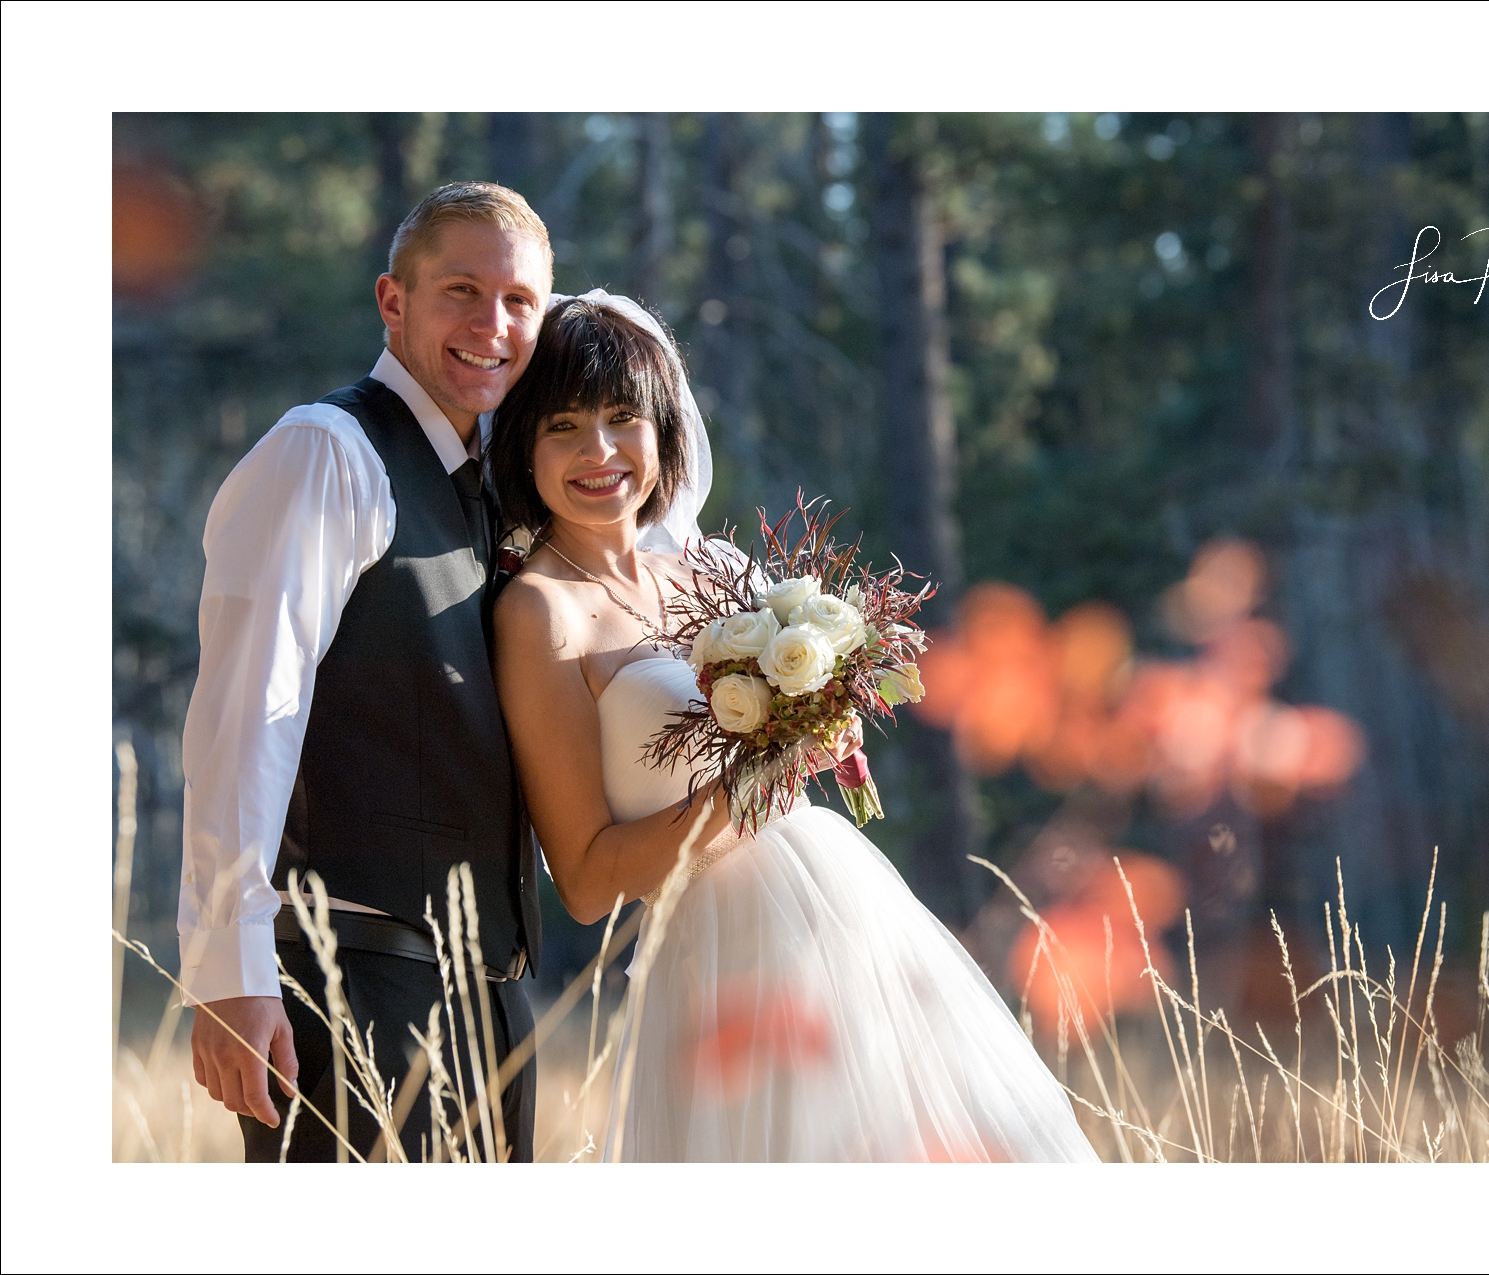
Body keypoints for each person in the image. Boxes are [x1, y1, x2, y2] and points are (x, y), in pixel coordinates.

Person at [489, 293, 1099, 1161]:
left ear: (665, 431)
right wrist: (766, 774)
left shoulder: (719, 571)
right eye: (563, 426)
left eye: (623, 417)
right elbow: (585, 882)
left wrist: (827, 716)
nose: (599, 451)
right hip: (714, 956)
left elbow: (800, 742)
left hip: (840, 907)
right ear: (524, 447)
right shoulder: (540, 613)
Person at [179, 182, 553, 1162]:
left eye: (519, 302)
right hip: (354, 993)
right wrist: (229, 966)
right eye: (460, 292)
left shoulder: (502, 494)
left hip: (493, 1008)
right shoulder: (328, 452)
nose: (492, 326)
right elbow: (246, 712)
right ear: (393, 301)